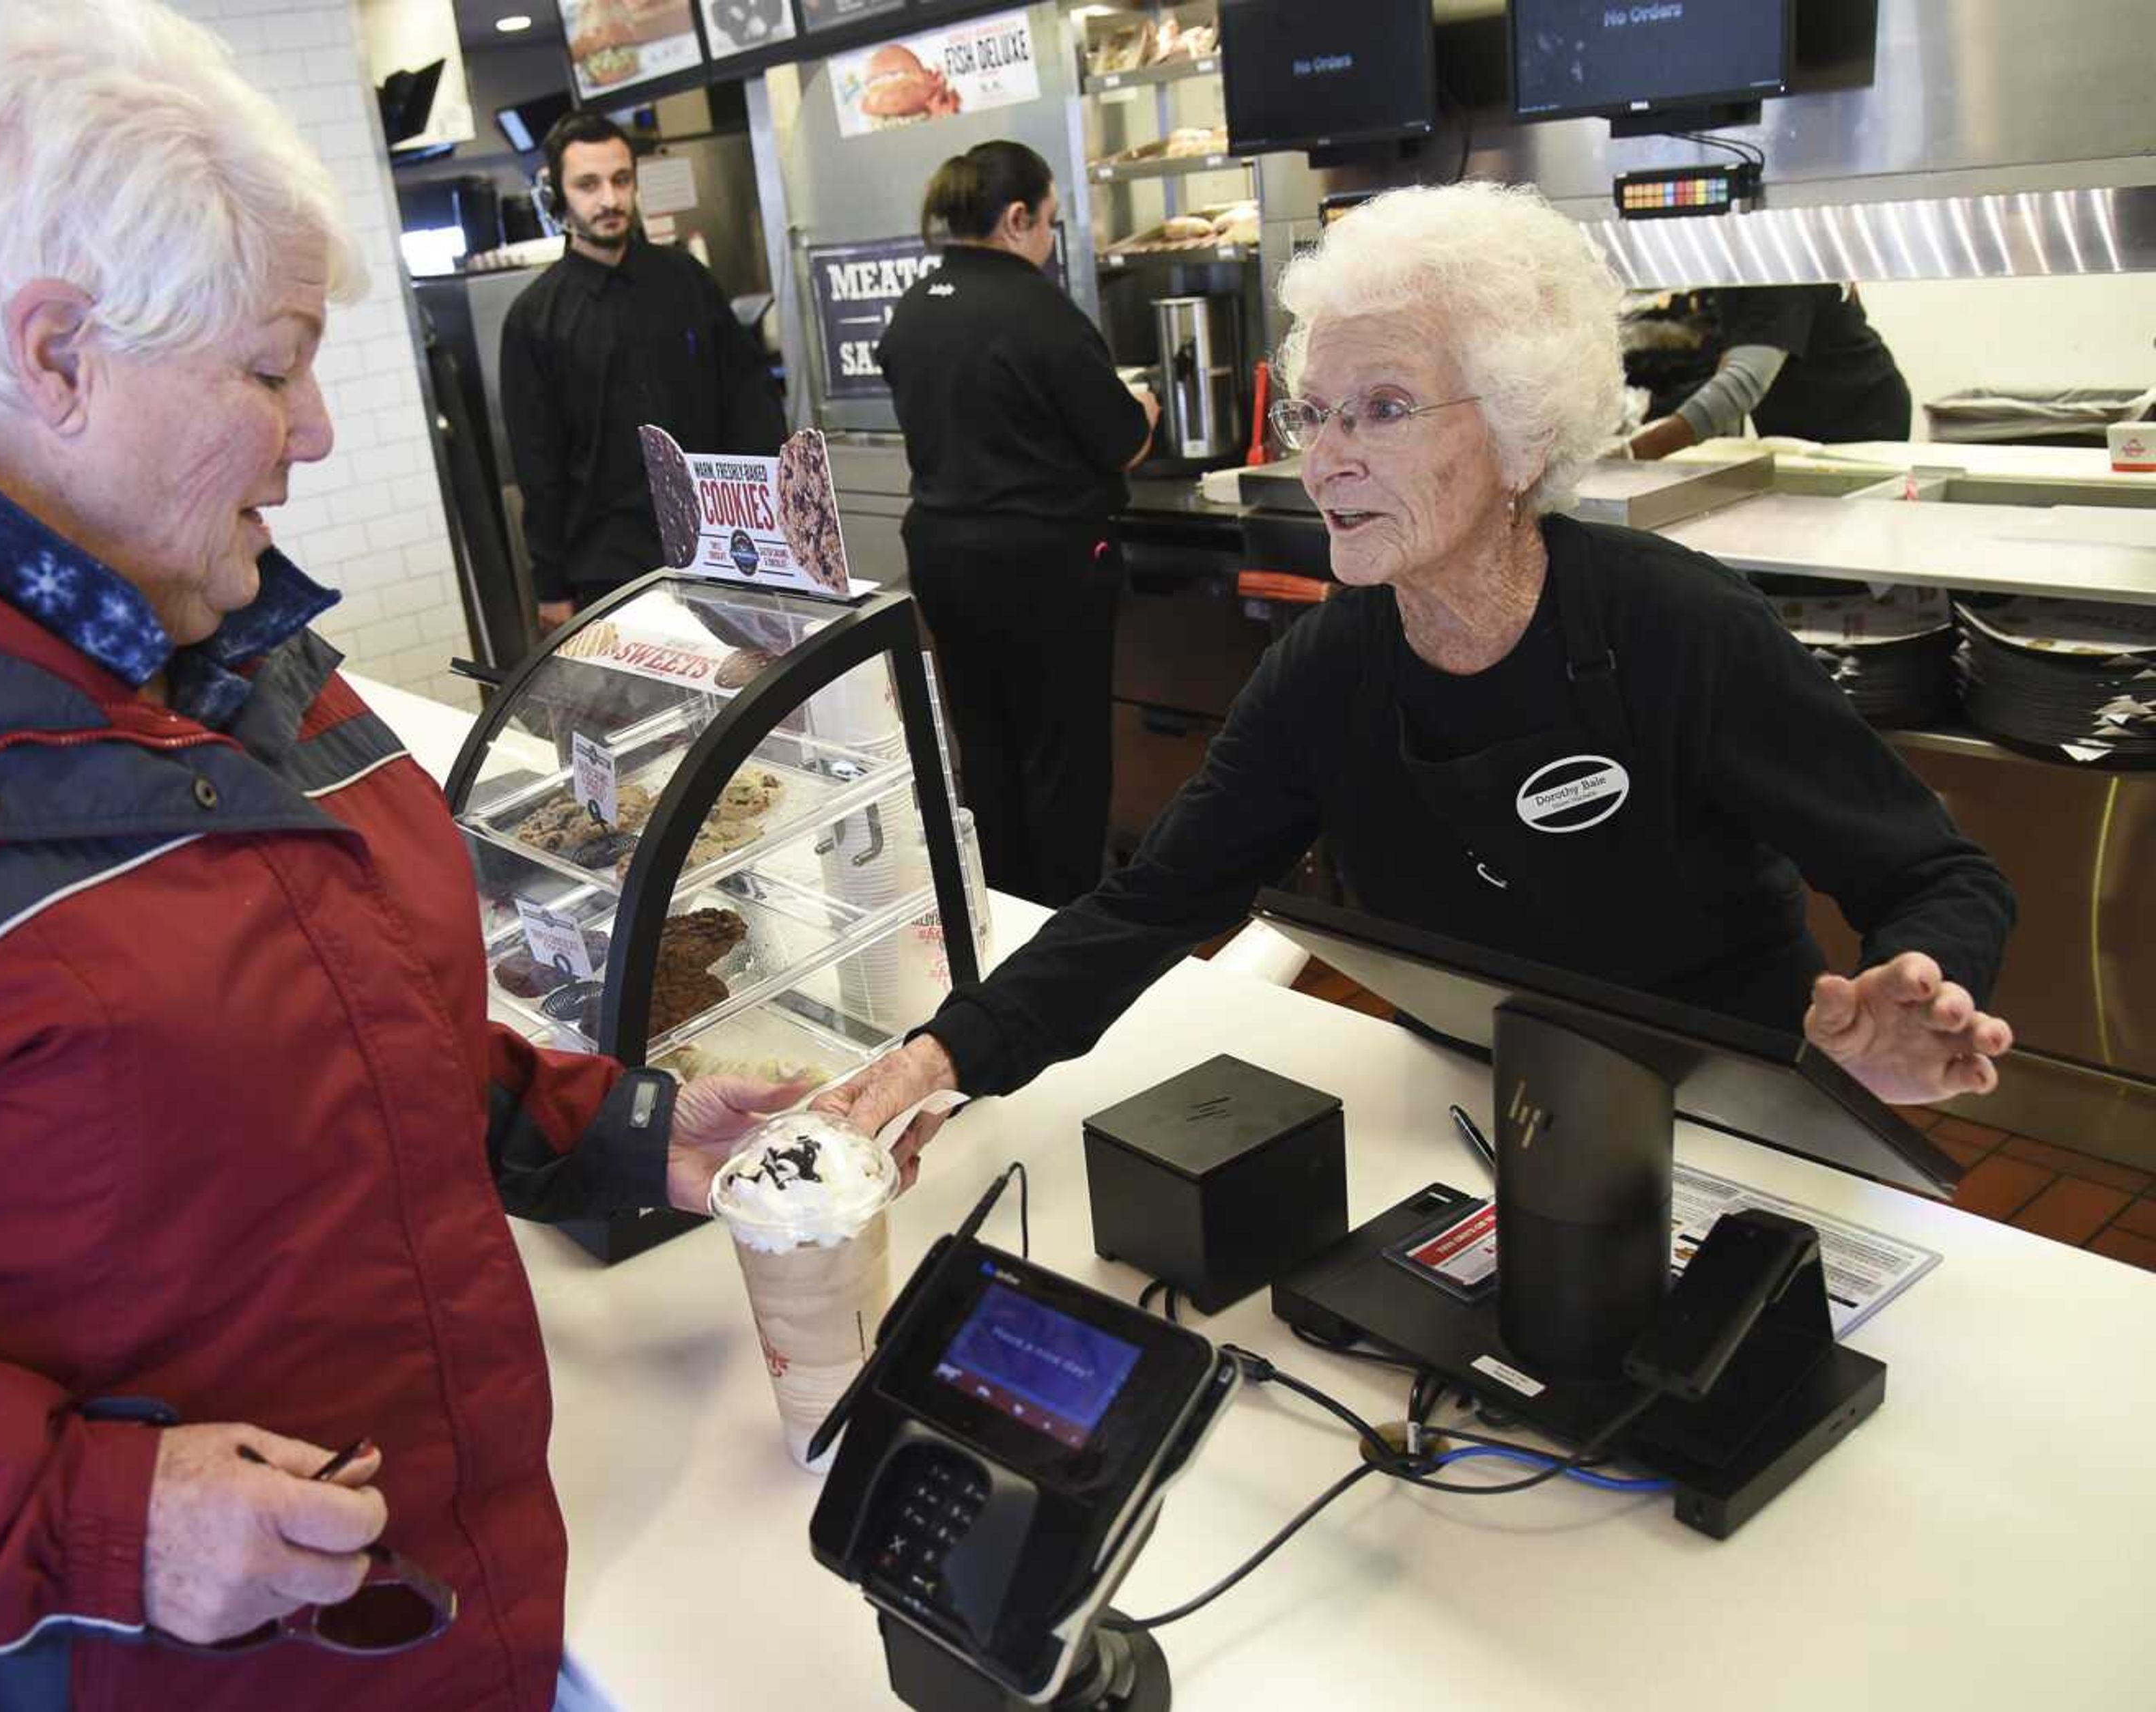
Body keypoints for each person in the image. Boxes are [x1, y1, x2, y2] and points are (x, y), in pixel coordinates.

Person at [0, 5, 795, 1708]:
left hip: (453, 1621)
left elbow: (326, 1055)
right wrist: (93, 1521)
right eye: (271, 368)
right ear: (57, 354)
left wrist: (611, 1131)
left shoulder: (224, 636)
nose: (319, 428)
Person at [821, 183, 2014, 1173]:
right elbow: (1150, 903)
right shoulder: (1326, 676)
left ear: (1523, 433)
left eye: (1383, 410)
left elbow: (1936, 872)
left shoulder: (1674, 624)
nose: (1327, 459)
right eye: (1318, 413)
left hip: (1735, 1115)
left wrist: (1910, 1011)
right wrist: (941, 1057)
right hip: (1479, 1112)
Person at [877, 141, 1160, 909]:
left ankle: (1000, 913)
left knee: (987, 747)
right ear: (1016, 218)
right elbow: (1121, 441)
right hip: (1042, 566)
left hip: (945, 559)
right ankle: (1068, 925)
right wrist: (1143, 412)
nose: (1048, 240)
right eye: (1048, 224)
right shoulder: (1041, 311)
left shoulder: (915, 306)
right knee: (1061, 758)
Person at [499, 111, 786, 634]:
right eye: (588, 185)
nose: (608, 199)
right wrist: (551, 587)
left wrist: (775, 521)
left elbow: (749, 403)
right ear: (559, 196)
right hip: (610, 568)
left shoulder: (687, 281)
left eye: (621, 180)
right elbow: (538, 464)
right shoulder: (534, 319)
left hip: (722, 549)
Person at [1628, 284, 1913, 458]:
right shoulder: (1738, 268)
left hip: (1857, 420)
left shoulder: (1779, 269)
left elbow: (1743, 383)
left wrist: (1635, 452)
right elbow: (1731, 360)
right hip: (1799, 415)